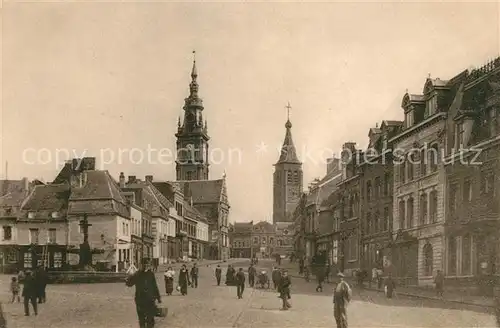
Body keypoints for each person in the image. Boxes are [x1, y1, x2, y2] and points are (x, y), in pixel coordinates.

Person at [126, 262, 161, 328]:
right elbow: (129, 283)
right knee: (141, 318)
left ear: (149, 265)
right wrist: (129, 278)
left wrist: (158, 297)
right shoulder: (137, 274)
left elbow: (154, 286)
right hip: (140, 300)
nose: (145, 266)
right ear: (141, 265)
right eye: (144, 265)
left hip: (150, 299)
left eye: (147, 265)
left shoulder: (151, 274)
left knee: (150, 318)